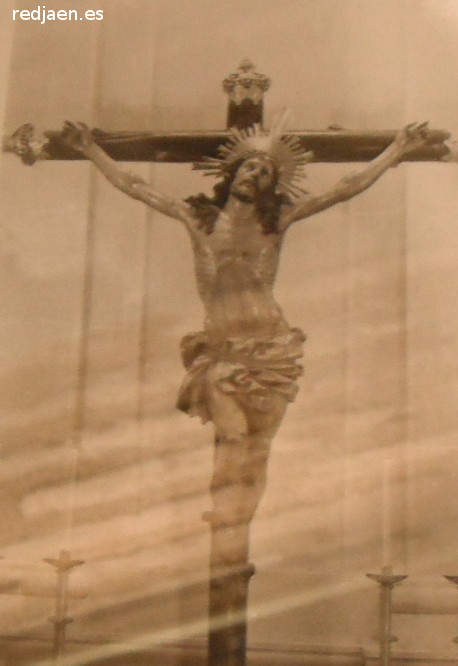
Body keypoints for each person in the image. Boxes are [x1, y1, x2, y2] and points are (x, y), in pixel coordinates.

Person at [61, 117, 430, 526]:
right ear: (233, 172)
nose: (255, 174)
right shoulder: (196, 217)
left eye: (266, 172)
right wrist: (90, 149)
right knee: (233, 437)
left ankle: (241, 523)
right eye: (250, 166)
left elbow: (345, 188)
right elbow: (135, 186)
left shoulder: (277, 222)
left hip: (273, 351)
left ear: (273, 186)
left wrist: (397, 150)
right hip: (225, 351)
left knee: (258, 450)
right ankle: (222, 517)